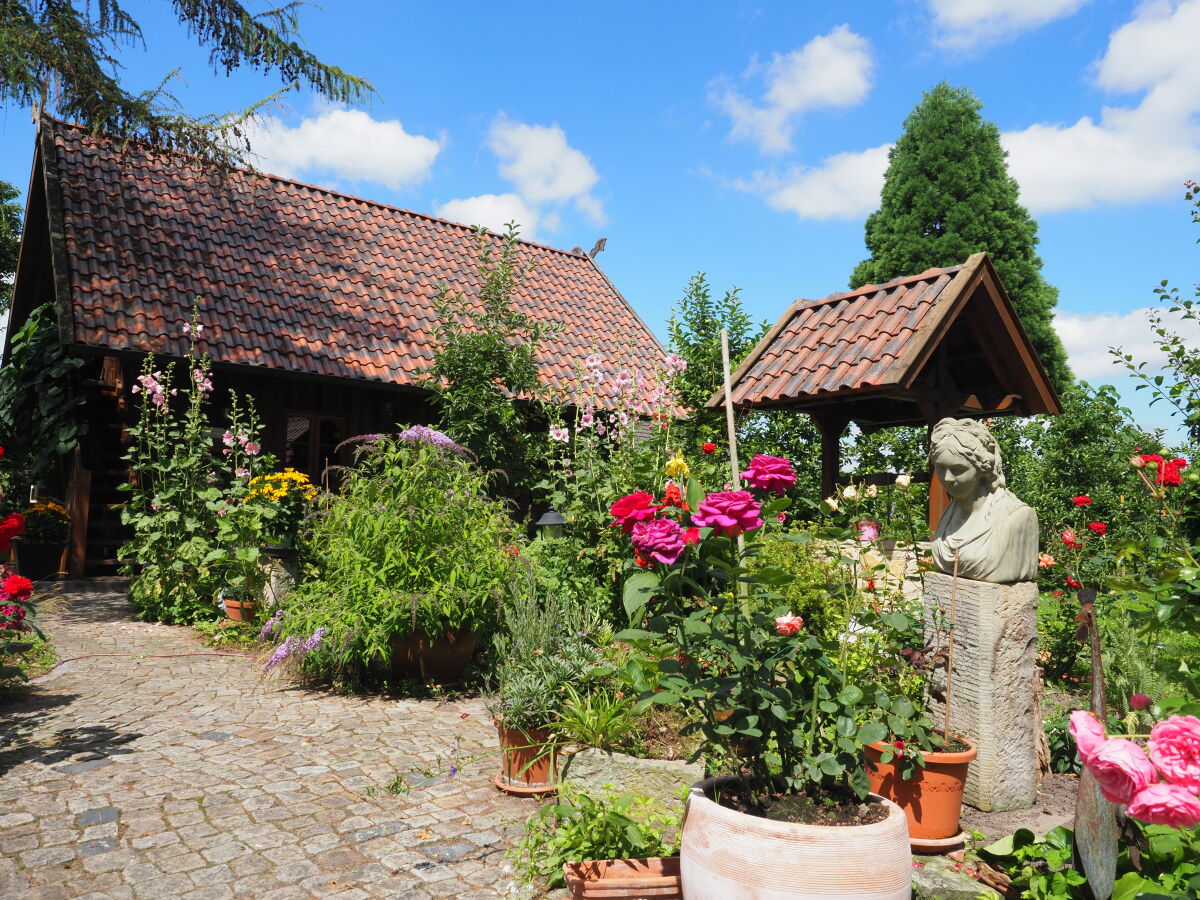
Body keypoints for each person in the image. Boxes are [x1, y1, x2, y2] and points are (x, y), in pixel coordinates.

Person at [929, 418, 1038, 584]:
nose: (948, 479)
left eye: (958, 469)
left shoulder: (1017, 517)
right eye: (941, 468)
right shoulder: (949, 515)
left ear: (982, 468)